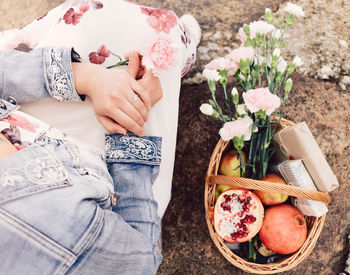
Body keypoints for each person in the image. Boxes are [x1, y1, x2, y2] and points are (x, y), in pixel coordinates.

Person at [0, 0, 201, 274]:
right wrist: (130, 126)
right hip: (107, 177)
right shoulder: (48, 236)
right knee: (153, 43)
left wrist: (86, 78)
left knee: (100, 15)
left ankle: (174, 53)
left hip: (20, 115)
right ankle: (178, 52)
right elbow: (140, 258)